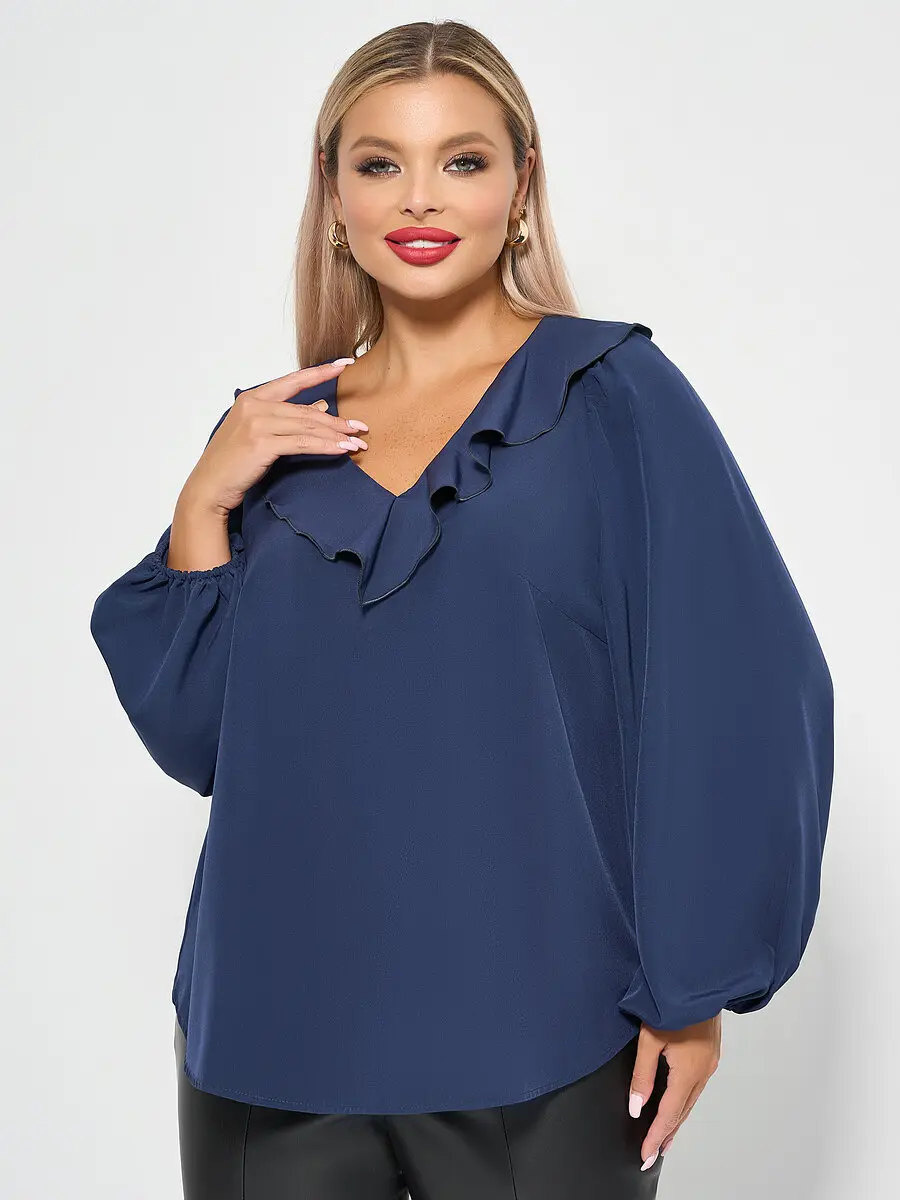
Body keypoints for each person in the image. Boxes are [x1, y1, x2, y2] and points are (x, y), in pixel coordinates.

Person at [89, 19, 834, 1200]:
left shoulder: (615, 397)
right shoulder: (275, 432)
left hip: (547, 1033)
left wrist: (694, 990)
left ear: (521, 185)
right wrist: (205, 498)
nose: (420, 197)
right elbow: (203, 740)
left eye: (464, 160)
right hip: (269, 1040)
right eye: (380, 162)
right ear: (332, 193)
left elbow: (739, 684)